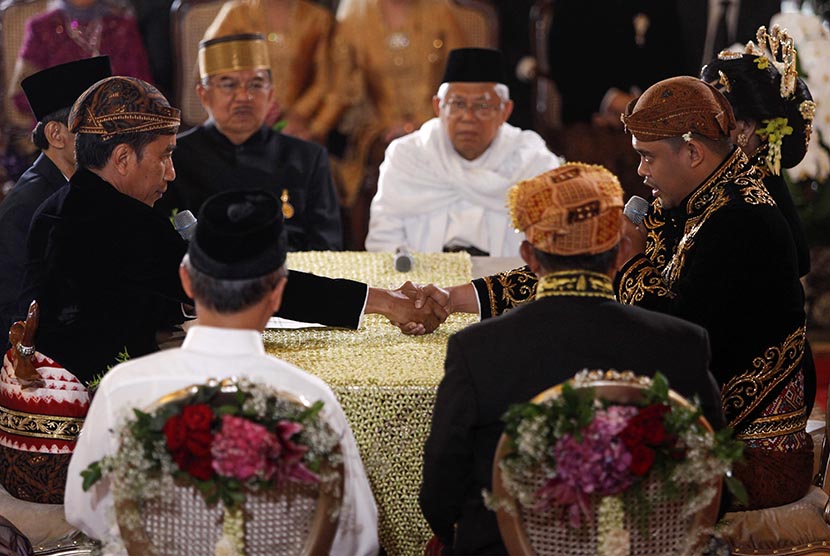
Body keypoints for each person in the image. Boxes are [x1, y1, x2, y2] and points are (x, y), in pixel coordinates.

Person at [15, 76, 444, 386]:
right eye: (164, 157)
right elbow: (246, 283)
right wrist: (384, 303)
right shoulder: (118, 224)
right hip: (102, 395)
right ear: (123, 159)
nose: (171, 172)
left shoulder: (67, 203)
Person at [419, 162, 724, 555]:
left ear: (529, 255)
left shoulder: (477, 350)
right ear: (621, 252)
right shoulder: (682, 343)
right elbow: (713, 480)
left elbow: (439, 497)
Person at [64, 188, 380, 555]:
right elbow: (357, 539)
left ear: (186, 280)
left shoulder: (125, 388)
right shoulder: (311, 399)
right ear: (277, 294)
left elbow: (84, 510)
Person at [615, 75, 811, 511]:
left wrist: (629, 263)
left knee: (581, 470)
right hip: (717, 433)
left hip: (755, 461)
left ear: (692, 152)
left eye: (647, 158)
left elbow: (674, 345)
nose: (641, 172)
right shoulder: (704, 198)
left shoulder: (741, 220)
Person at [365, 47, 561, 257]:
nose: (468, 116)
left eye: (482, 106)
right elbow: (384, 238)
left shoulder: (532, 160)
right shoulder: (408, 156)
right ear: (438, 106)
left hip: (505, 284)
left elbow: (551, 240)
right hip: (421, 281)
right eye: (457, 104)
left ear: (505, 110)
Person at [157, 33, 343, 252]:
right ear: (204, 94)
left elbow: (328, 245)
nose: (244, 97)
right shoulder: (174, 157)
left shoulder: (308, 157)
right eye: (229, 85)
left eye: (256, 85)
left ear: (271, 94)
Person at [327, 0, 471, 248]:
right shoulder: (353, 14)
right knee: (391, 154)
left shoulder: (441, 10)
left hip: (440, 120)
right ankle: (382, 258)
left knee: (437, 151)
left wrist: (424, 123)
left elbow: (462, 76)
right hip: (377, 127)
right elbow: (344, 90)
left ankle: (448, 252)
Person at [0, 56, 112, 349]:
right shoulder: (27, 205)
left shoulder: (92, 183)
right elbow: (15, 313)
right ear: (56, 134)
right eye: (94, 126)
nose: (107, 138)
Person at [5, 0, 152, 133]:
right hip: (60, 136)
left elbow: (142, 88)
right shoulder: (41, 27)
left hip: (115, 134)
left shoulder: (122, 26)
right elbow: (21, 94)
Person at [202, 0, 335, 142]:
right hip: (236, 117)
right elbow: (210, 73)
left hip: (295, 126)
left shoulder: (318, 19)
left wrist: (298, 115)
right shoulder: (236, 13)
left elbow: (325, 81)